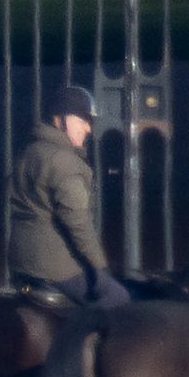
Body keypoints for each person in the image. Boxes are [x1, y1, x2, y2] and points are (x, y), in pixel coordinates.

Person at [7, 84, 130, 308]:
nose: (88, 129)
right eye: (82, 120)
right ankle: (79, 340)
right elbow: (78, 224)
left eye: (89, 122)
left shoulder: (30, 151)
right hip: (53, 267)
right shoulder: (64, 162)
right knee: (118, 297)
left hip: (20, 261)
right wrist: (100, 268)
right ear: (60, 119)